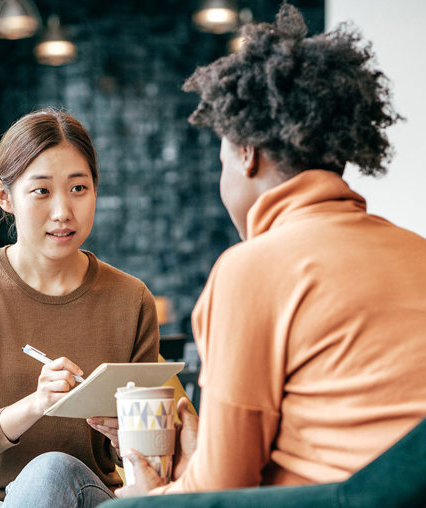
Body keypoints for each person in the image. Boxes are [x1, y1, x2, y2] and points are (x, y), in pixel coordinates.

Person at [115, 3, 426, 498]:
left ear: (246, 152)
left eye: (222, 161)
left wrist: (148, 497)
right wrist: (202, 462)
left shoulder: (251, 268)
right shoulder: (418, 251)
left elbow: (223, 488)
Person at [0, 109, 159, 508]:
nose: (63, 211)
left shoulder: (132, 299)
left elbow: (148, 455)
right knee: (45, 474)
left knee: (53, 472)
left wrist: (129, 437)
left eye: (79, 188)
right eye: (42, 191)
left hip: (83, 492)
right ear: (5, 196)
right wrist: (38, 404)